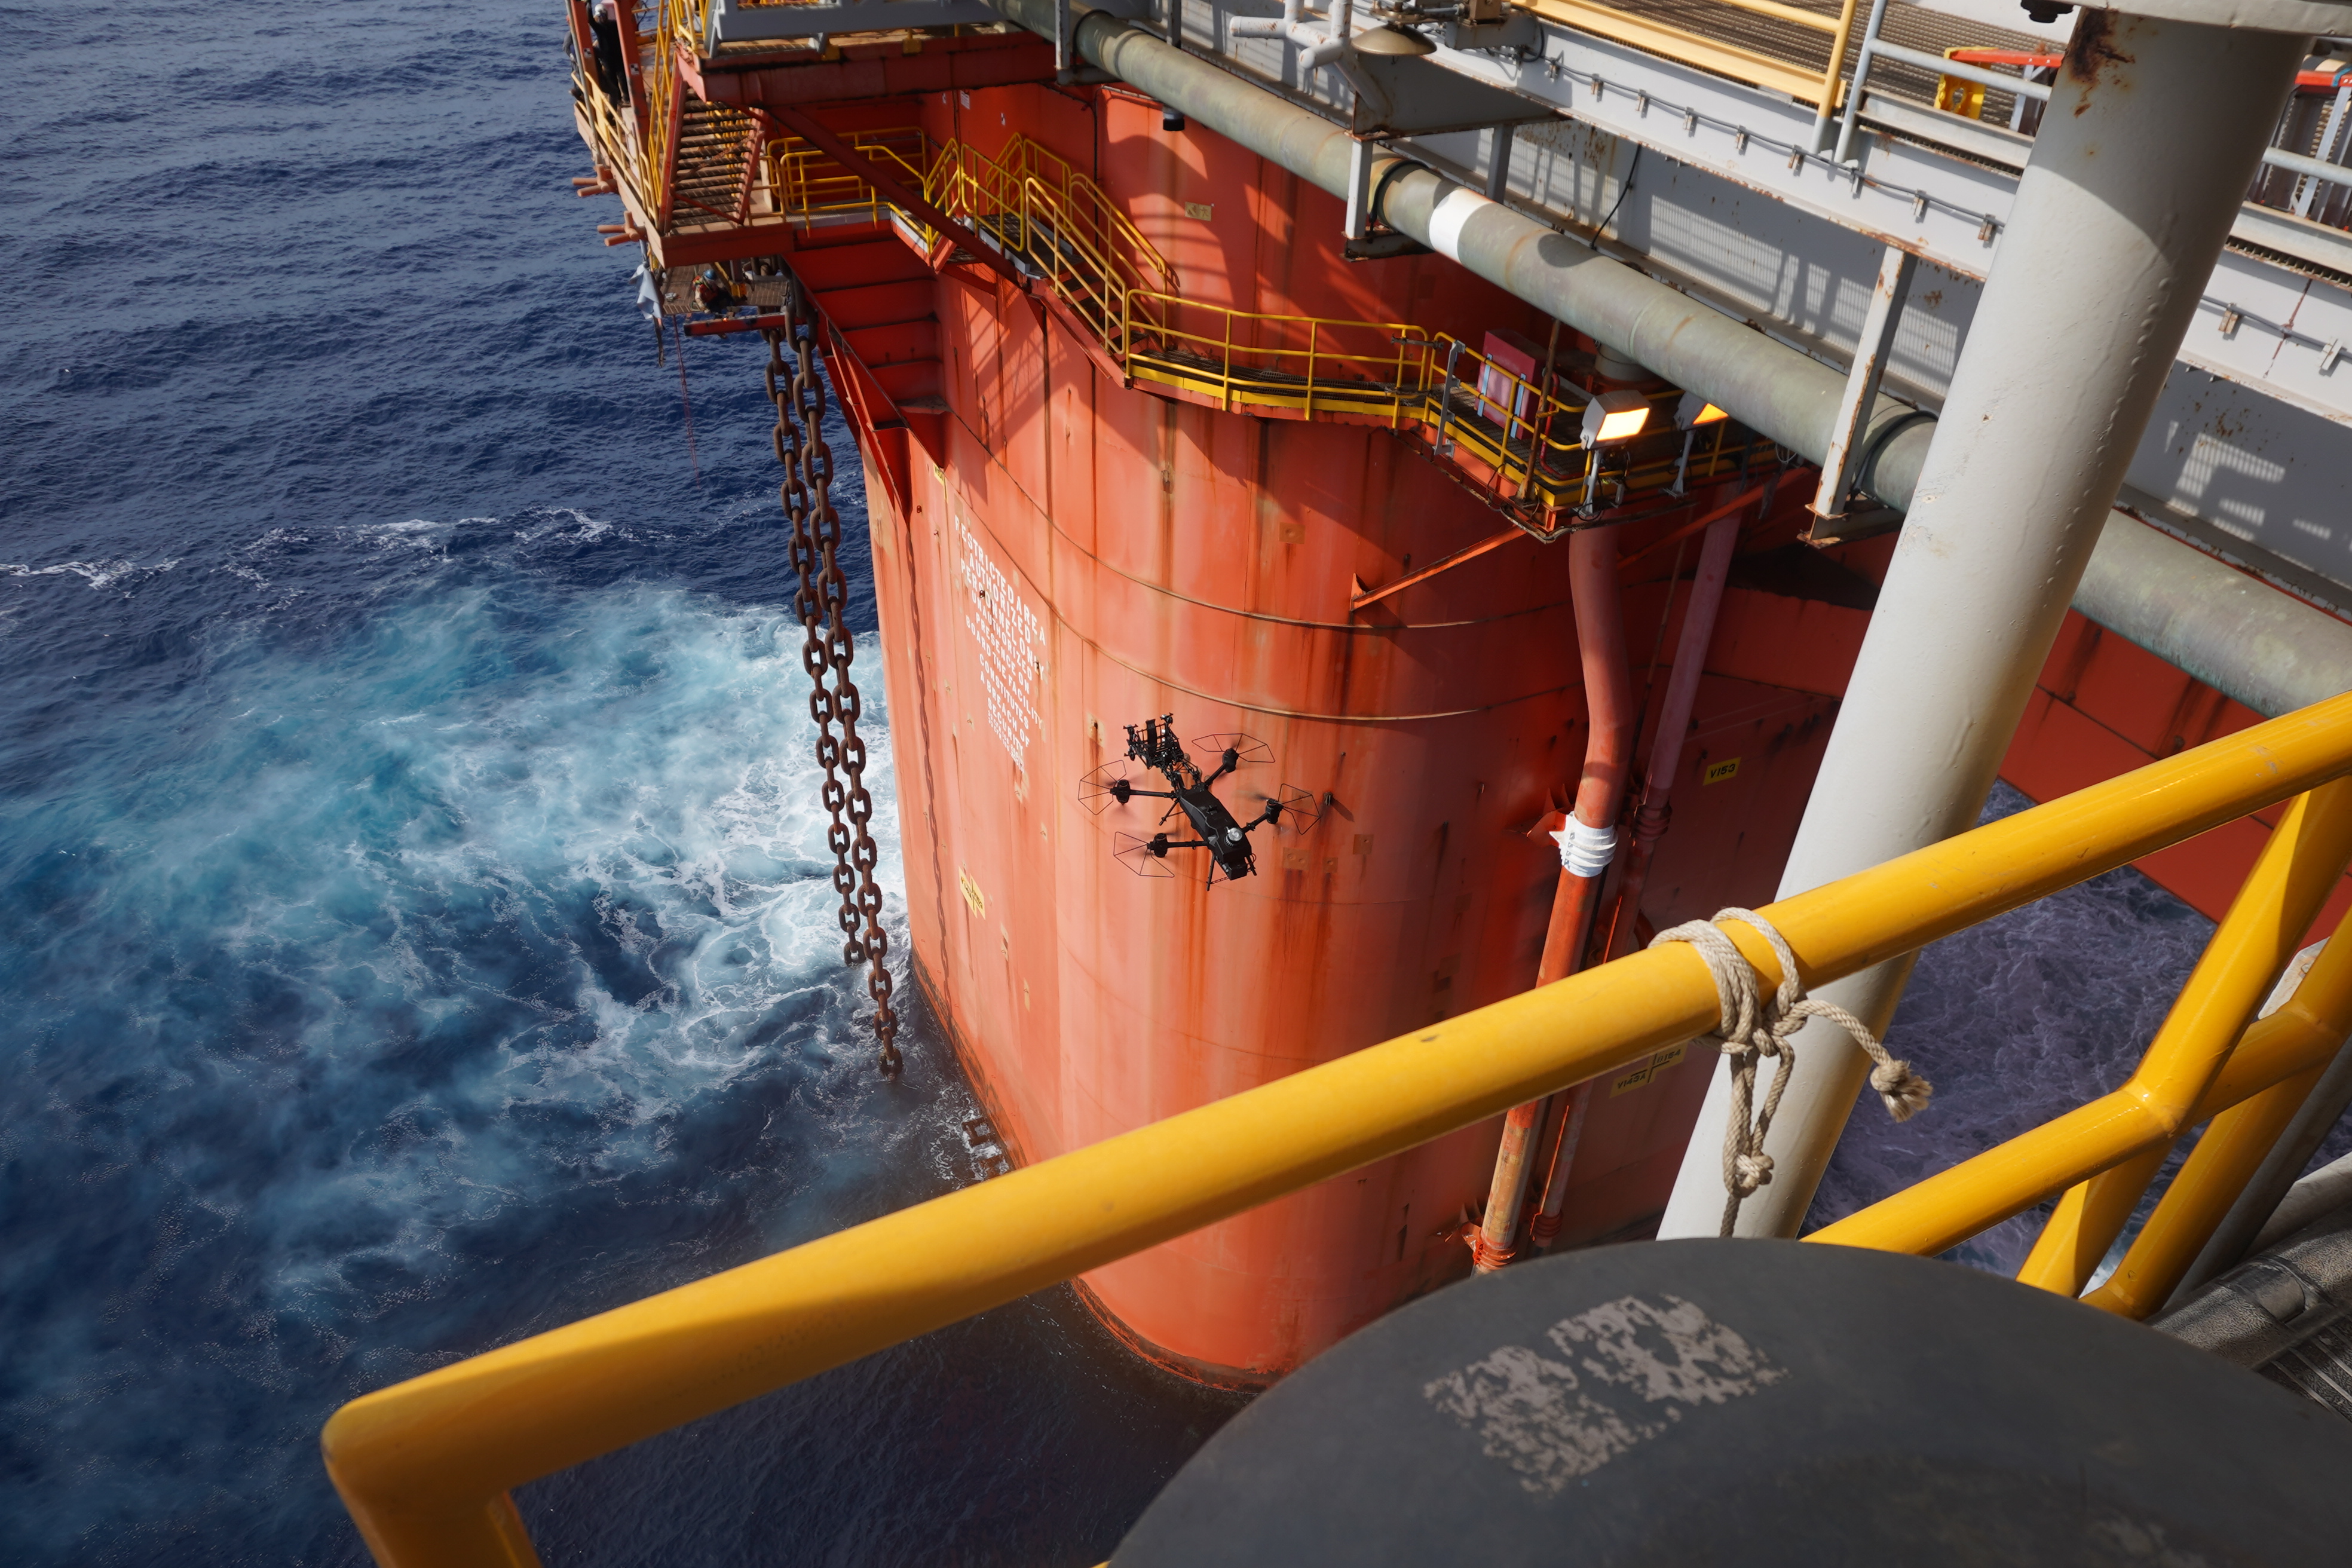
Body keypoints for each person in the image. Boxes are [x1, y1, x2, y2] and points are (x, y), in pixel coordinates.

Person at [589, 1, 628, 105]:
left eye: (603, 15)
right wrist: (588, 5)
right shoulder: (600, 27)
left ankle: (627, 98)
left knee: (622, 77)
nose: (602, 17)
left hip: (617, 56)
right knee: (613, 79)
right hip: (608, 58)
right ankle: (619, 99)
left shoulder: (613, 25)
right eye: (600, 16)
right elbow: (590, 20)